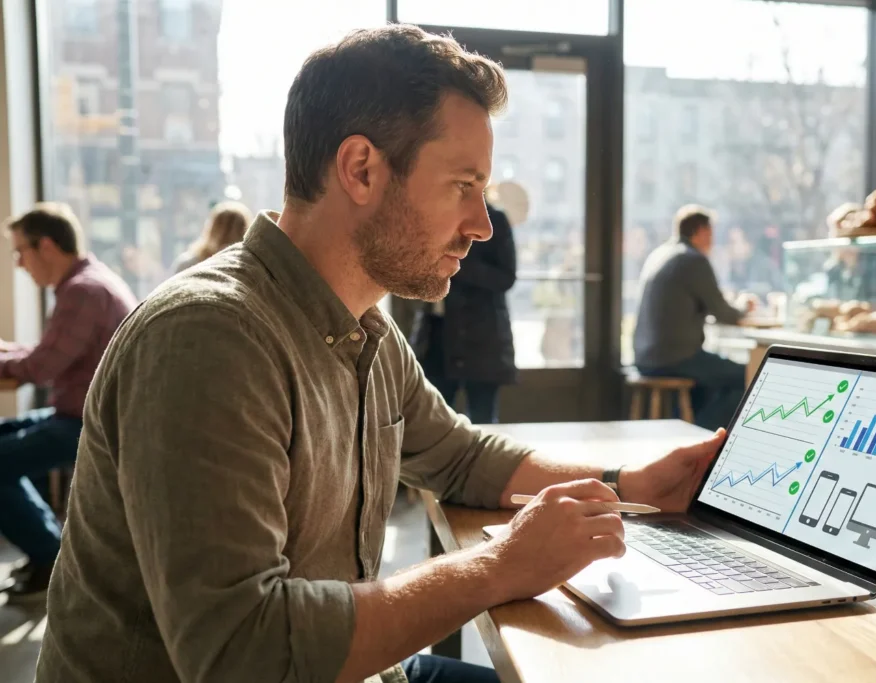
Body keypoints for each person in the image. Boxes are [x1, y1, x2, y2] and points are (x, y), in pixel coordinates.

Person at [36, 26, 725, 683]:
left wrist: (626, 484)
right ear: (361, 168)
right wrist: (500, 567)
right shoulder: (209, 338)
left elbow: (457, 455)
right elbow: (243, 652)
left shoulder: (365, 331)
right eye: (463, 186)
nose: (481, 226)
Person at [0, 202, 136, 602]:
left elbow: (41, 367)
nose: (19, 263)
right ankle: (47, 553)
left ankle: (50, 557)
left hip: (89, 423)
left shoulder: (82, 291)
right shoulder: (87, 283)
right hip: (77, 412)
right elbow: (51, 355)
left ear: (45, 246)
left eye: (19, 251)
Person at [632, 205, 750, 431]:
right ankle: (701, 436)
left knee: (712, 381)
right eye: (712, 234)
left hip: (645, 357)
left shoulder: (659, 254)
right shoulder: (693, 260)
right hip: (675, 357)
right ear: (703, 231)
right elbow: (724, 313)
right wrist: (744, 307)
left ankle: (685, 429)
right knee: (749, 375)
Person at [410, 201, 517, 424]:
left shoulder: (494, 220)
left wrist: (456, 264)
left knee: (482, 420)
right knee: (434, 420)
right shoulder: (431, 214)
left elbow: (506, 277)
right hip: (436, 334)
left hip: (481, 335)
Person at [171, 200, 253, 273]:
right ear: (246, 231)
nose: (227, 234)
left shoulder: (187, 264)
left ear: (210, 229)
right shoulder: (249, 270)